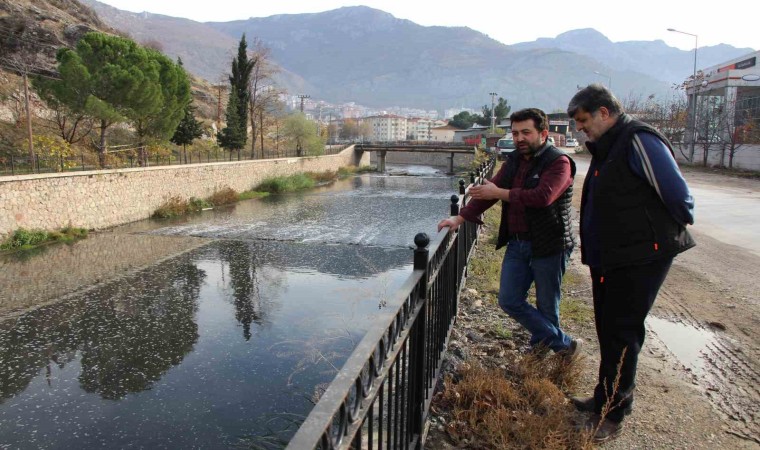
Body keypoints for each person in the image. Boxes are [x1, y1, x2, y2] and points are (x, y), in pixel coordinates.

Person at [566, 84, 695, 443]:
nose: (580, 128)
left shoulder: (638, 139)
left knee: (622, 331)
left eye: (583, 120)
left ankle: (612, 414)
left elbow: (678, 195)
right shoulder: (608, 146)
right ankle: (602, 398)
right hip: (614, 256)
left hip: (640, 255)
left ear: (605, 113)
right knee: (608, 328)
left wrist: (659, 233)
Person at [437, 108, 580, 356]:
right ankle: (565, 346)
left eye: (526, 132)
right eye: (515, 133)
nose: (519, 138)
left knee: (547, 306)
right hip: (518, 242)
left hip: (550, 244)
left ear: (543, 133)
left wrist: (499, 194)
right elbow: (491, 191)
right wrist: (460, 217)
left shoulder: (559, 162)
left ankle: (542, 354)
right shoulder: (515, 160)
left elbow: (543, 197)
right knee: (509, 300)